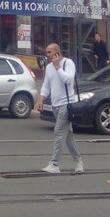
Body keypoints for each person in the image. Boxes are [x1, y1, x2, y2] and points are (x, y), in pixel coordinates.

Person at [35, 43, 85, 175]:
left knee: (58, 132)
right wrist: (40, 100)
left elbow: (69, 80)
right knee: (68, 135)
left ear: (57, 53)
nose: (47, 55)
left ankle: (54, 164)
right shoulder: (49, 67)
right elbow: (46, 86)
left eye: (49, 52)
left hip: (67, 104)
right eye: (46, 52)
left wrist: (58, 67)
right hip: (55, 105)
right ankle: (78, 161)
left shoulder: (68, 63)